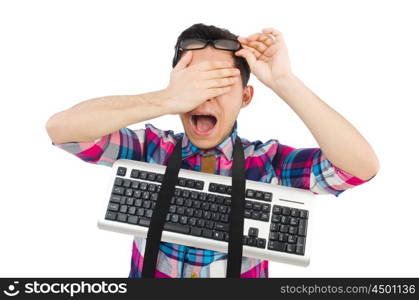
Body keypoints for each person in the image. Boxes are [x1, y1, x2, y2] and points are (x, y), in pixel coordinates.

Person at [45, 23, 379, 278]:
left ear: (245, 97)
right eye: (195, 82)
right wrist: (166, 99)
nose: (204, 97)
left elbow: (359, 167)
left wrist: (283, 81)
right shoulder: (149, 149)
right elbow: (63, 130)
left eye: (219, 82)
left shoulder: (268, 163)